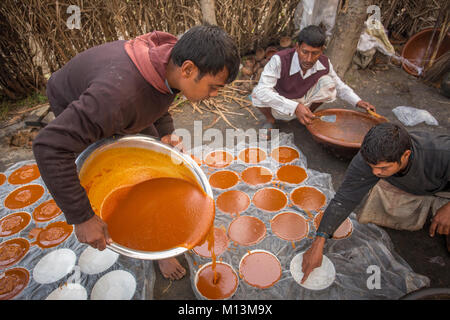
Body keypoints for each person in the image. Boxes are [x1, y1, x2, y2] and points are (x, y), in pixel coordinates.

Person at [32, 25, 240, 281]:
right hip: (73, 96)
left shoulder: (168, 62)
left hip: (114, 93)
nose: (215, 94)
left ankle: (159, 228)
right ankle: (155, 242)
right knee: (119, 164)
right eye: (213, 87)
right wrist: (82, 217)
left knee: (156, 164)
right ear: (188, 69)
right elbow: (49, 146)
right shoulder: (116, 101)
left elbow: (161, 96)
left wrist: (166, 132)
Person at [301, 123, 450, 283]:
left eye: (383, 168)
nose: (375, 172)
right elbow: (344, 199)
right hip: (418, 185)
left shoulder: (441, 152)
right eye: (371, 167)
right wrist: (319, 240)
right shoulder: (369, 158)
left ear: (406, 155)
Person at [251, 25, 375, 135]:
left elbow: (338, 85)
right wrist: (295, 107)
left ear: (322, 50)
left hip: (304, 99)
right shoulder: (279, 60)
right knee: (257, 93)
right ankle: (270, 120)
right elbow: (263, 91)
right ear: (297, 47)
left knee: (329, 84)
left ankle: (307, 115)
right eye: (305, 52)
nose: (309, 59)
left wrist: (358, 101)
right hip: (281, 98)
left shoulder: (324, 62)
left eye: (315, 53)